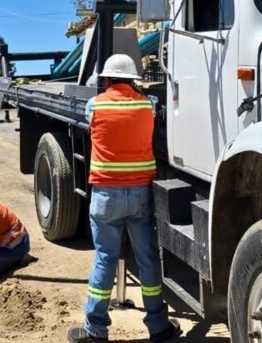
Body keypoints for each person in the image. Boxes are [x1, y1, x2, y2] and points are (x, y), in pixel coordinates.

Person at [68, 54, 180, 343]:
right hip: (140, 193)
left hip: (106, 194)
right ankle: (158, 325)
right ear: (133, 80)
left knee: (104, 259)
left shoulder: (96, 104)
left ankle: (95, 328)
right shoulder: (146, 105)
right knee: (147, 258)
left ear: (106, 79)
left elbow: (91, 125)